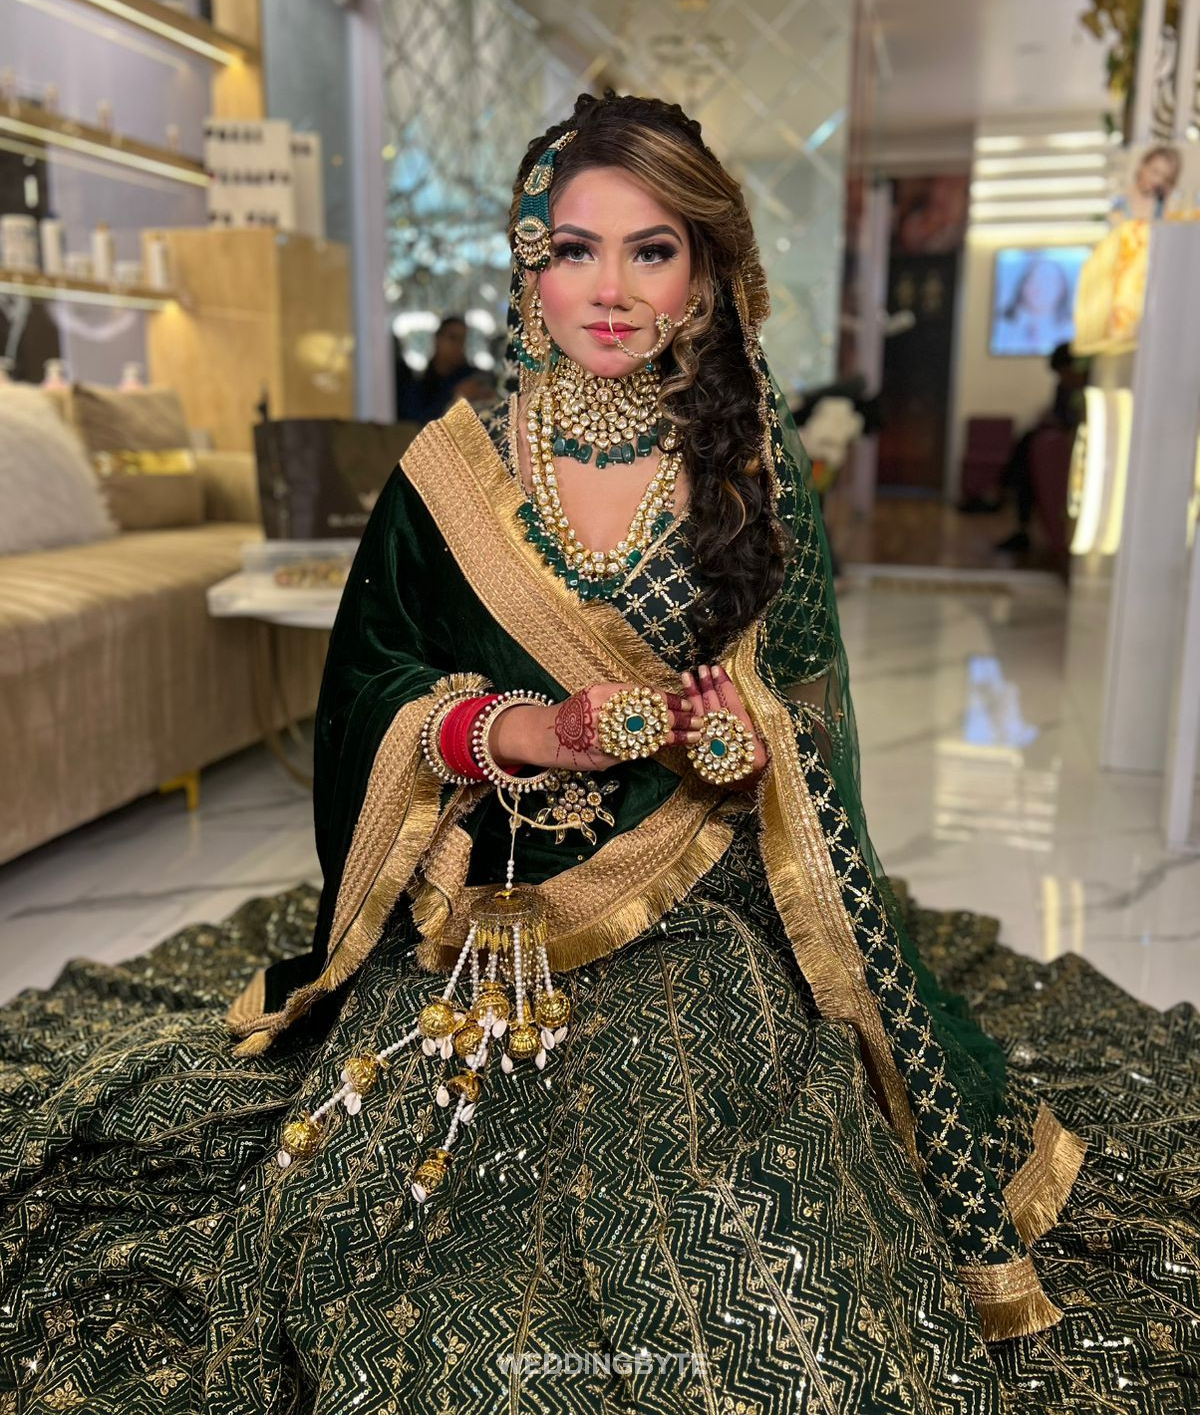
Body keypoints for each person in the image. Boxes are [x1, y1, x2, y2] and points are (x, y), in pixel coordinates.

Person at [1, 93, 1197, 1413]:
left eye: (652, 250)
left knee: (720, 1144)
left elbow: (807, 712)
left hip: (697, 888)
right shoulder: (452, 470)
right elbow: (371, 685)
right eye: (576, 249)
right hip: (487, 897)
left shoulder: (752, 464)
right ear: (531, 266)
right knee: (391, 1164)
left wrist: (740, 743)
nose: (612, 290)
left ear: (705, 272)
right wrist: (522, 728)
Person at [994, 339, 1088, 553]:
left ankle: (1002, 493)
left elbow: (1069, 421)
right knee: (1027, 449)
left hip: (1065, 449)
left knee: (1027, 450)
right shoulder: (1064, 389)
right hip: (1053, 448)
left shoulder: (1088, 389)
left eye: (1064, 372)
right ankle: (1005, 495)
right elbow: (1060, 416)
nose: (1063, 378)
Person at [395, 314, 495, 423]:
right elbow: (417, 423)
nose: (458, 345)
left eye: (463, 340)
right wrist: (457, 399)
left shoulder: (473, 378)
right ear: (437, 339)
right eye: (453, 338)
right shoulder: (419, 387)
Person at [990, 254, 1075, 355]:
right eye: (1034, 277)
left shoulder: (1070, 330)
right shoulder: (1001, 324)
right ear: (1023, 284)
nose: (1039, 286)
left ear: (1063, 290)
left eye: (1048, 280)